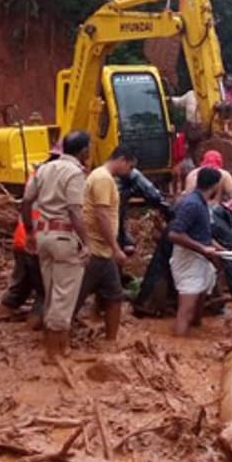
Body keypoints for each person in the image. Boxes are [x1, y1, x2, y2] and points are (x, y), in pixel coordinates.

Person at [20, 131, 90, 362]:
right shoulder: (75, 173)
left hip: (43, 235)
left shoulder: (44, 168)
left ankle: (59, 344)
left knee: (51, 290)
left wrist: (29, 232)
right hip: (65, 237)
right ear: (83, 151)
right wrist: (86, 243)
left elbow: (27, 200)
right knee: (64, 295)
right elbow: (74, 210)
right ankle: (54, 352)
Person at [78, 146, 139, 344]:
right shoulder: (103, 179)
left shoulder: (101, 176)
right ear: (121, 160)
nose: (129, 172)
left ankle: (110, 341)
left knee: (114, 295)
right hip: (98, 249)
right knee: (76, 297)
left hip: (101, 249)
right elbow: (102, 214)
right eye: (129, 167)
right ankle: (55, 338)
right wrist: (116, 248)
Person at [1, 146, 58, 325]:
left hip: (22, 238)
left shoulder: (37, 174)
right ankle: (35, 322)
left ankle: (4, 310)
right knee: (44, 288)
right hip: (37, 239)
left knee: (21, 282)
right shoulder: (56, 178)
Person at [167, 167, 222, 335]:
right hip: (189, 259)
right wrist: (203, 248)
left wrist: (220, 248)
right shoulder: (193, 204)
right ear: (215, 186)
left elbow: (199, 232)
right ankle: (179, 350)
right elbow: (174, 234)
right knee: (186, 311)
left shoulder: (199, 202)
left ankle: (192, 340)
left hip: (199, 258)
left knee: (198, 305)